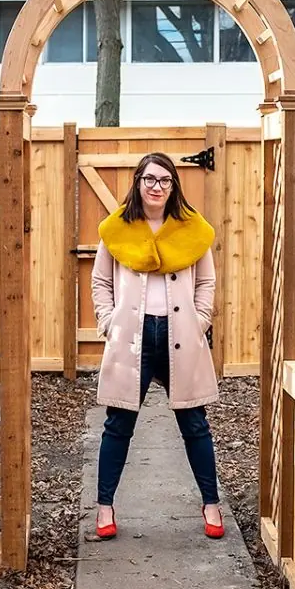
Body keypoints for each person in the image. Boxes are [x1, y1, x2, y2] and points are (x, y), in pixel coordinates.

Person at [88, 151, 224, 541]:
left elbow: (206, 282)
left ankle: (211, 504)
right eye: (150, 179)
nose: (157, 187)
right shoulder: (116, 230)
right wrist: (107, 321)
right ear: (138, 183)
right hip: (132, 337)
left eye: (165, 180)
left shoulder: (193, 231)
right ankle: (104, 506)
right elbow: (100, 281)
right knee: (117, 425)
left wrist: (199, 321)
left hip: (180, 336)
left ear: (173, 186)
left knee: (195, 424)